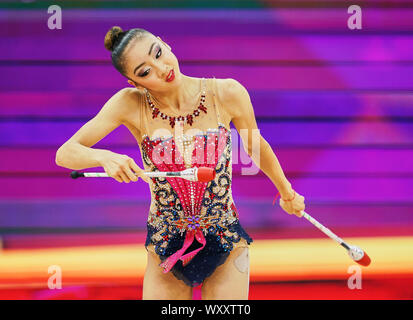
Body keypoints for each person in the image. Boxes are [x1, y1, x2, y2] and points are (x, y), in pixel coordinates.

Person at [55, 26, 306, 300]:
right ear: (135, 84)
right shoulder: (129, 104)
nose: (161, 69)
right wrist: (104, 157)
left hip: (224, 235)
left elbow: (255, 147)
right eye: (145, 72)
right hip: (166, 243)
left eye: (158, 54)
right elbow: (66, 153)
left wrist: (287, 193)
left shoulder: (227, 92)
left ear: (165, 43)